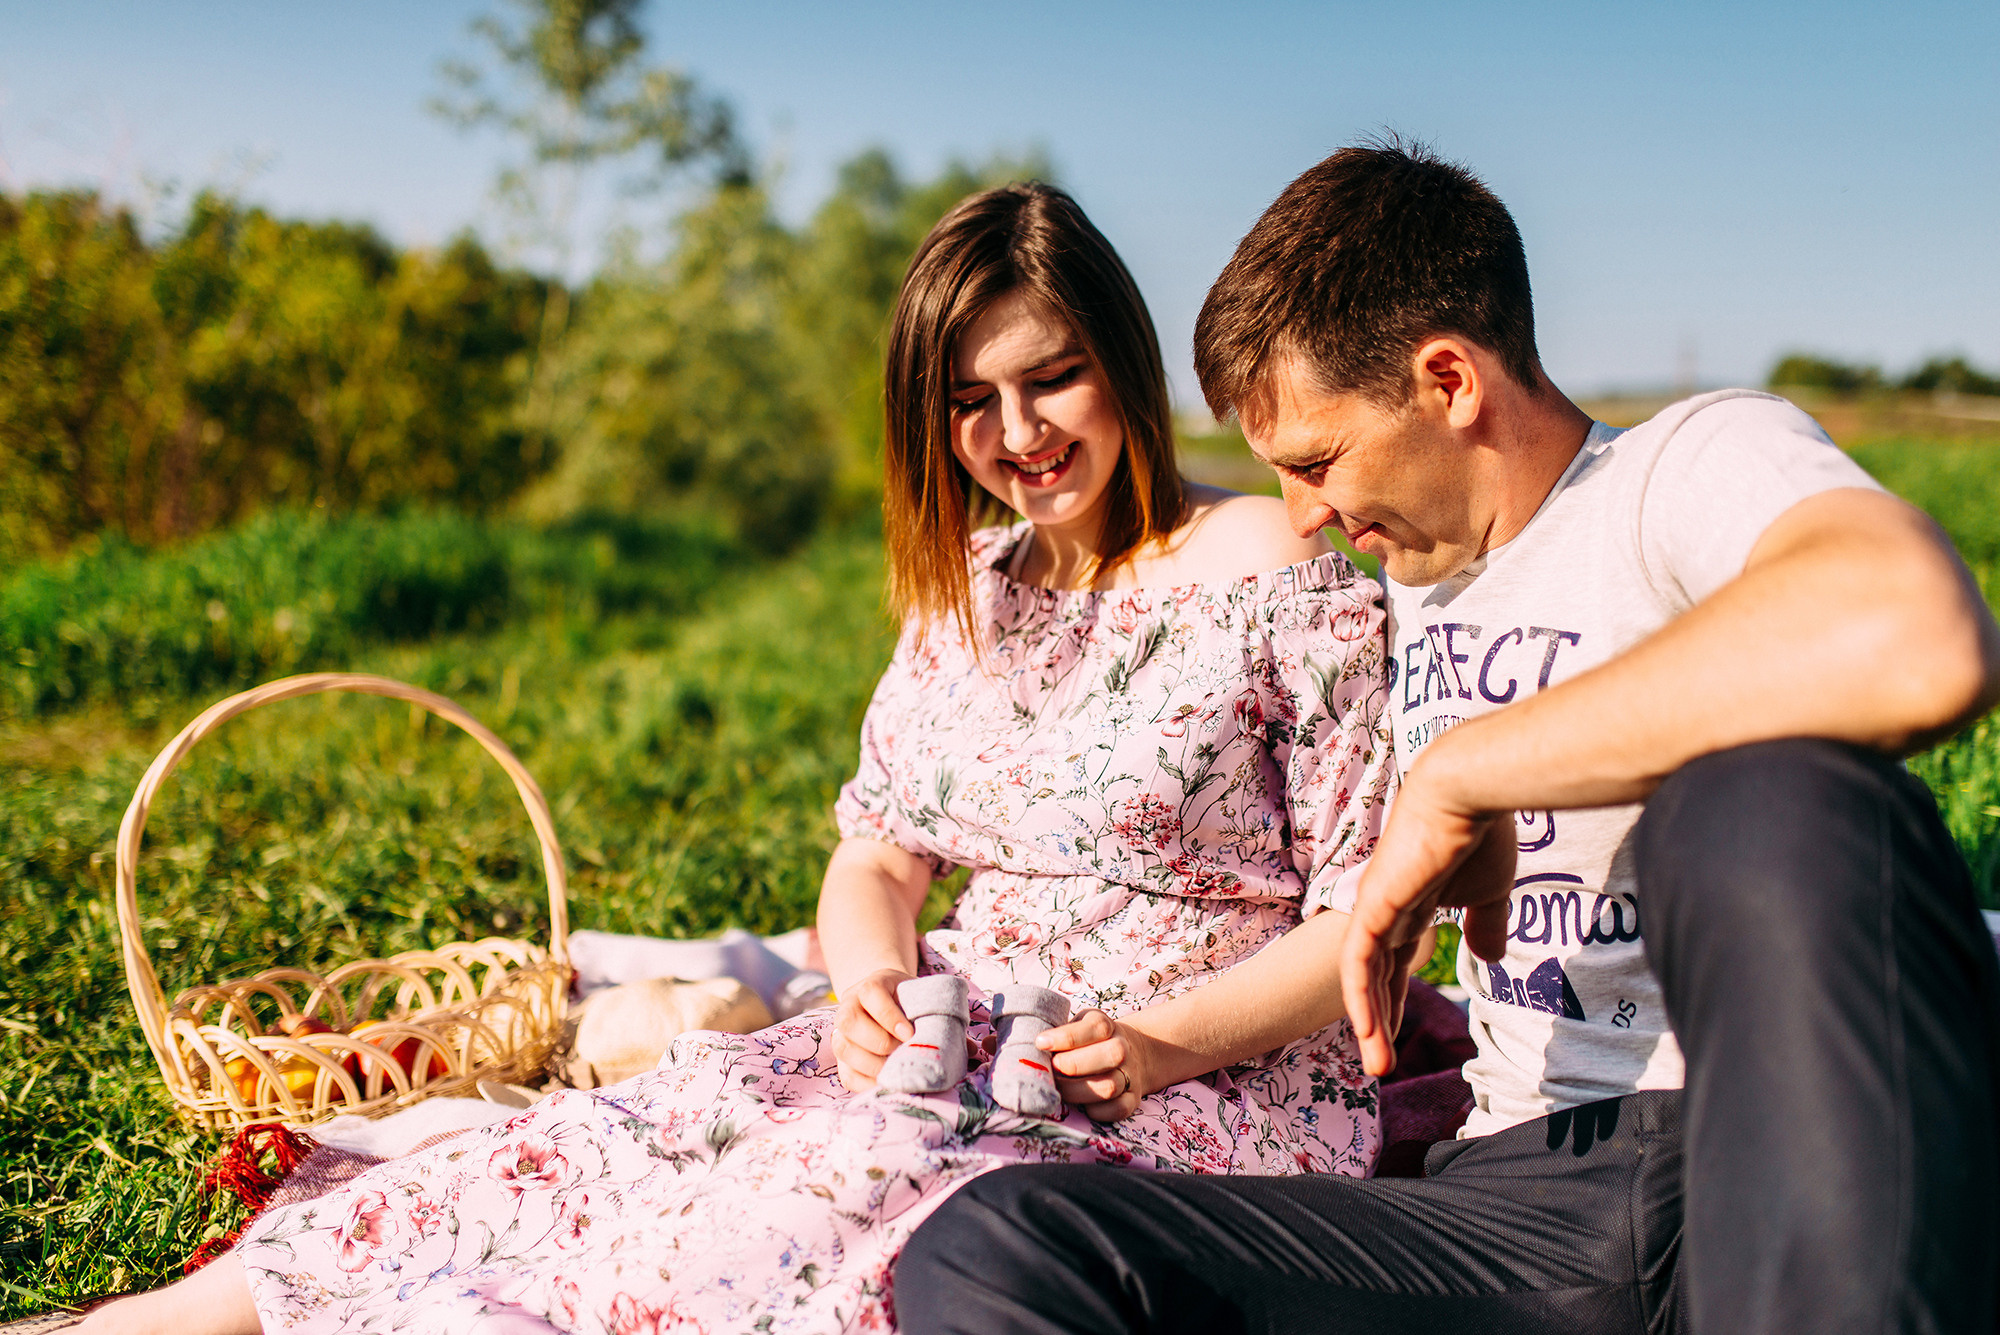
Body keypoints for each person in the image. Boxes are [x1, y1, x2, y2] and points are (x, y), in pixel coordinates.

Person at [83, 183, 1400, 1335]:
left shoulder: (1273, 575)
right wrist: (874, 977)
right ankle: (144, 1321)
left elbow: (1365, 917)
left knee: (783, 1224)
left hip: (1199, 1075)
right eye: (967, 401)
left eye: (1051, 376)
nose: (1017, 432)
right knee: (608, 1143)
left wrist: (1166, 1041)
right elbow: (881, 849)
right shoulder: (969, 593)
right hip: (952, 1031)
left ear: (1120, 357)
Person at [895, 142, 2000, 1334]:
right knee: (1003, 1242)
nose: (1304, 515)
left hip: (1779, 1138)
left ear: (1447, 380)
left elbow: (1913, 633)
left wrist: (1470, 771)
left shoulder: (1677, 469)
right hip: (1523, 1194)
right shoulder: (1390, 592)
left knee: (1762, 799)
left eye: (1316, 463)